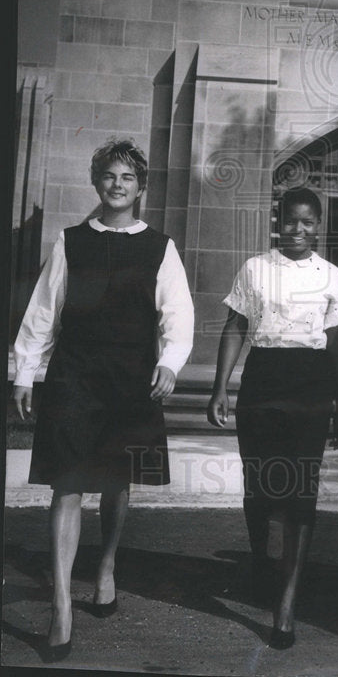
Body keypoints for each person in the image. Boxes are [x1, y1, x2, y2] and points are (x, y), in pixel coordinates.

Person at [12, 139, 194, 662]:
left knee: (116, 481)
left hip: (130, 377)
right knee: (67, 484)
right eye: (110, 176)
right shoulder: (71, 242)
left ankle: (107, 565)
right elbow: (44, 311)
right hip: (74, 375)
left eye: (128, 178)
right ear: (97, 182)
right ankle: (62, 606)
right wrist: (25, 372)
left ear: (140, 188)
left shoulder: (161, 247)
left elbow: (178, 316)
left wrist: (170, 363)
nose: (118, 185)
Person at [207, 187, 338, 650]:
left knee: (300, 491)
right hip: (264, 378)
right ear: (279, 220)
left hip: (310, 384)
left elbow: (334, 346)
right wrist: (220, 388)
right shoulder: (256, 268)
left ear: (319, 225)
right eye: (291, 221)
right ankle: (260, 560)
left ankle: (285, 606)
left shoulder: (332, 276)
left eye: (308, 223)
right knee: (261, 485)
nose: (298, 230)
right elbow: (236, 328)